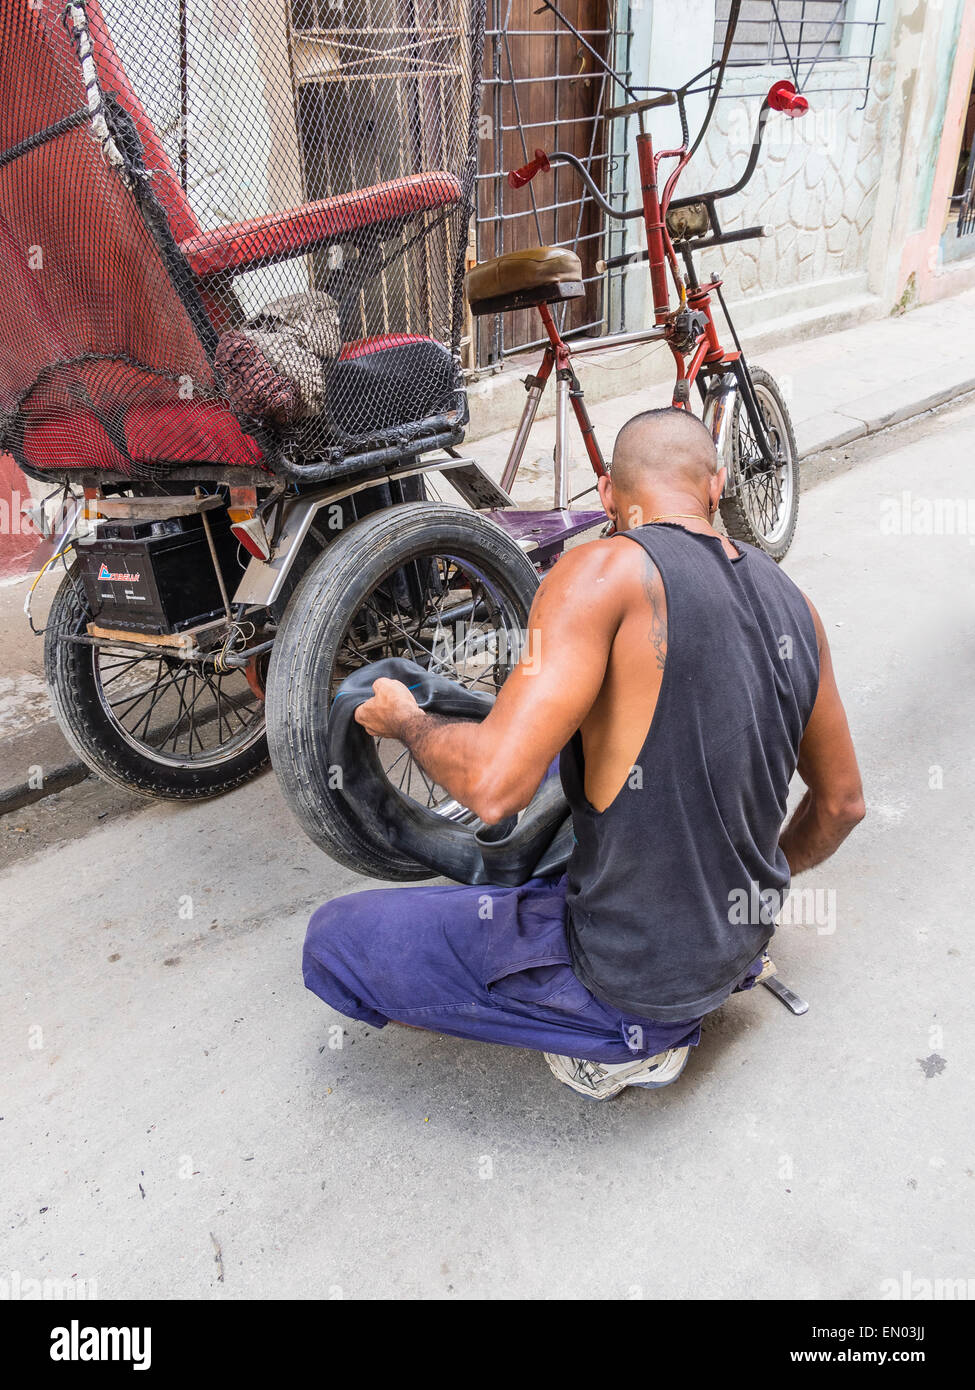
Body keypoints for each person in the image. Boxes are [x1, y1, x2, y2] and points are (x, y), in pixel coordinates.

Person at [303, 407, 865, 1100]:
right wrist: (749, 877)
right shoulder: (795, 606)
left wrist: (408, 722)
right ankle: (679, 965)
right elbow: (841, 805)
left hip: (631, 985)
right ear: (715, 486)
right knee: (574, 758)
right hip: (738, 942)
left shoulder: (600, 571)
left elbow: (492, 787)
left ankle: (620, 1048)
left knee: (335, 941)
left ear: (607, 495)